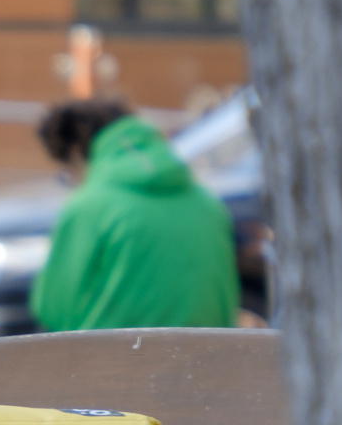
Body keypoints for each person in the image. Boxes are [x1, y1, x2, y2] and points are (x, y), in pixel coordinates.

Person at [28, 100, 239, 332]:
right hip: (206, 360)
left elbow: (53, 309)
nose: (72, 184)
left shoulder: (90, 207)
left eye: (67, 175)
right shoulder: (207, 203)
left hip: (115, 362)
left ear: (75, 153)